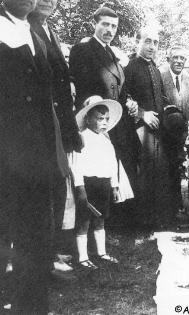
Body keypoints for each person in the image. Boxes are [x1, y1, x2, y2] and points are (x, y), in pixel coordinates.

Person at [0, 0, 69, 312]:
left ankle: (32, 307)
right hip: (5, 158)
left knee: (35, 241)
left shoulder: (37, 36)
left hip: (36, 160)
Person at [28, 0, 83, 275]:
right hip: (40, 124)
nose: (49, 2)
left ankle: (50, 251)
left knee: (59, 187)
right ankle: (42, 258)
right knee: (45, 192)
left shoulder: (51, 31)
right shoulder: (27, 28)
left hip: (60, 122)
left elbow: (61, 77)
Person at [69, 7, 140, 214]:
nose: (110, 30)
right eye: (105, 24)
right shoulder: (82, 50)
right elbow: (74, 84)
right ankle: (94, 222)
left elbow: (122, 91)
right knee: (95, 174)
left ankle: (115, 219)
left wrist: (131, 102)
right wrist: (88, 99)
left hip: (117, 121)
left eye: (114, 26)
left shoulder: (114, 55)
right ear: (95, 24)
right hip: (95, 123)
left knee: (115, 168)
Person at [72, 96, 133, 269]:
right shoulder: (81, 138)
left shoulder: (106, 141)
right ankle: (83, 256)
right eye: (100, 119)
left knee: (101, 219)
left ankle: (101, 252)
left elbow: (112, 164)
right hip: (88, 183)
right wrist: (80, 187)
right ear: (88, 119)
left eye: (106, 119)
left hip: (103, 185)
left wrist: (114, 186)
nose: (104, 123)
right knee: (84, 220)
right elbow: (77, 166)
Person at [124, 26, 174, 229]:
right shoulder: (130, 68)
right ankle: (141, 222)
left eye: (156, 43)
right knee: (142, 175)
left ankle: (157, 219)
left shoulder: (155, 68)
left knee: (158, 173)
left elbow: (160, 98)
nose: (152, 46)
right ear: (138, 42)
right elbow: (125, 98)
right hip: (138, 130)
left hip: (157, 130)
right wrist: (143, 114)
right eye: (148, 41)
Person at [160, 45, 189, 216]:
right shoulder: (160, 77)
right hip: (165, 133)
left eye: (182, 58)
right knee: (169, 170)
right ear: (169, 59)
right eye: (175, 57)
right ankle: (172, 207)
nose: (179, 61)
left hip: (185, 134)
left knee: (187, 168)